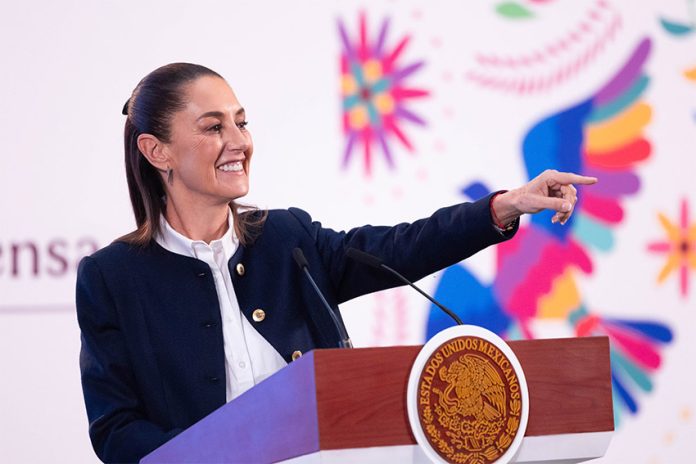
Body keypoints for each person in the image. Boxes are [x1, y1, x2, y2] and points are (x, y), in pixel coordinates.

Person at [76, 63, 597, 463]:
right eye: (213, 127)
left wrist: (501, 208)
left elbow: (401, 247)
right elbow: (116, 429)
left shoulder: (286, 239)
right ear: (157, 150)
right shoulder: (111, 278)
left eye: (241, 122)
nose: (238, 142)